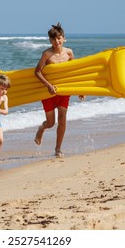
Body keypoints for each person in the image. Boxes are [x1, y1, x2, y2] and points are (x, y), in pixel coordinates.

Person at [34, 22, 85, 157]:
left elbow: (73, 71)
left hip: (63, 91)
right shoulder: (47, 54)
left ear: (63, 38)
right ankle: (41, 128)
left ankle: (58, 149)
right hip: (48, 92)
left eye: (59, 38)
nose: (56, 41)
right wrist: (49, 86)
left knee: (62, 119)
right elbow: (37, 72)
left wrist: (80, 89)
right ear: (50, 40)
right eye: (53, 39)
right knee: (51, 123)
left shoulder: (69, 53)